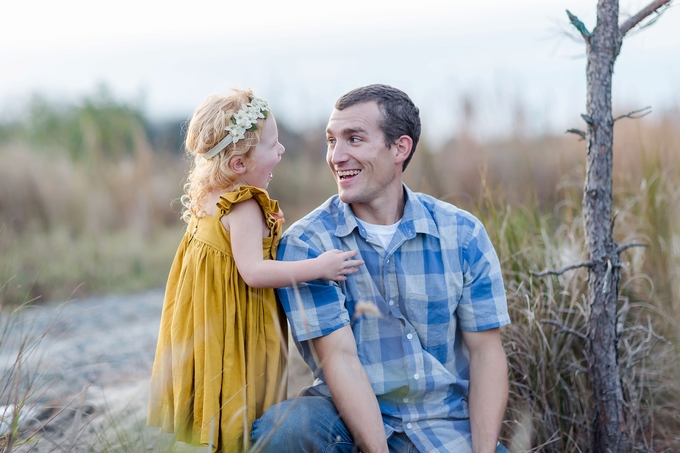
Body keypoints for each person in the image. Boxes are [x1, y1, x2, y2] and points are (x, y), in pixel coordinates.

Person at [251, 84, 511, 453]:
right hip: (349, 424)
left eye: (354, 139)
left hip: (446, 428)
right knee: (288, 430)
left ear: (399, 148)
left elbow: (487, 353)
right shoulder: (309, 245)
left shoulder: (462, 233)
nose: (337, 156)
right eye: (331, 141)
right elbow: (339, 358)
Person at [146, 89, 363, 453]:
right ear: (238, 165)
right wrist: (318, 266)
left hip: (210, 316)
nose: (280, 151)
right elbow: (253, 271)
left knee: (220, 390)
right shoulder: (244, 204)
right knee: (242, 394)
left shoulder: (209, 195)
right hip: (238, 318)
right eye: (272, 145)